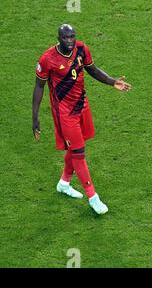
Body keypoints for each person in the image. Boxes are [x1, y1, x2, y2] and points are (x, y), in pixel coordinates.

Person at [32, 24, 132, 214]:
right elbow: (39, 87)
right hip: (64, 112)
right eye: (66, 38)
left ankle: (64, 183)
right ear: (59, 38)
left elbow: (92, 69)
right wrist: (35, 117)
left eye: (72, 37)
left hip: (82, 105)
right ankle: (93, 197)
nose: (70, 41)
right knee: (78, 152)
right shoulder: (47, 59)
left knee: (76, 146)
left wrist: (113, 82)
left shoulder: (81, 48)